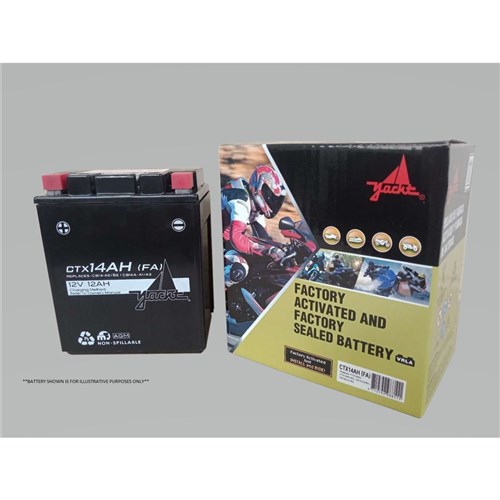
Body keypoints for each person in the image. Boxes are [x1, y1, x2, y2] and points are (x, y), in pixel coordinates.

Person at [222, 164, 287, 287]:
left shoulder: (255, 205)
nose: (272, 202)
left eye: (276, 200)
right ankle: (221, 291)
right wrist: (266, 250)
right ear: (259, 188)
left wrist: (282, 248)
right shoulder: (240, 200)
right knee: (239, 270)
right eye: (270, 196)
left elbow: (264, 237)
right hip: (213, 244)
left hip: (226, 241)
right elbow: (236, 238)